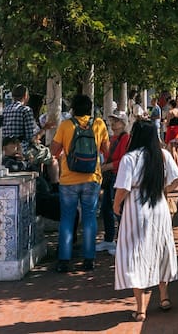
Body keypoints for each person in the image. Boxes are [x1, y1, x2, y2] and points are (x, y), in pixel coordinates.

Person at [113, 121, 178, 321]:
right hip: (158, 206)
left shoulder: (130, 158)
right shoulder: (163, 155)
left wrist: (116, 205)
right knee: (160, 249)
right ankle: (164, 297)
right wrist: (162, 191)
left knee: (134, 253)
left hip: (136, 207)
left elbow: (123, 188)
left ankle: (141, 308)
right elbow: (177, 179)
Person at [50, 94, 110, 273]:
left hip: (68, 179)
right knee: (90, 217)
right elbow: (106, 150)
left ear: (73, 108)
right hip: (92, 178)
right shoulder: (99, 124)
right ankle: (89, 259)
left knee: (67, 218)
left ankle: (64, 260)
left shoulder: (66, 125)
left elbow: (54, 151)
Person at [3, 85, 57, 181]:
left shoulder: (5, 110)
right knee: (52, 159)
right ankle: (55, 185)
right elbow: (31, 138)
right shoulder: (26, 110)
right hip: (22, 149)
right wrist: (45, 129)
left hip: (6, 149)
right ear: (26, 96)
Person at [97, 110, 130, 254]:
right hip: (110, 176)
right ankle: (109, 239)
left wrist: (106, 167)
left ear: (123, 123)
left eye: (116, 121)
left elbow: (123, 160)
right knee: (106, 208)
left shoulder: (125, 138)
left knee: (118, 209)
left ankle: (121, 241)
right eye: (112, 121)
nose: (112, 124)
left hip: (118, 177)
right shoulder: (112, 138)